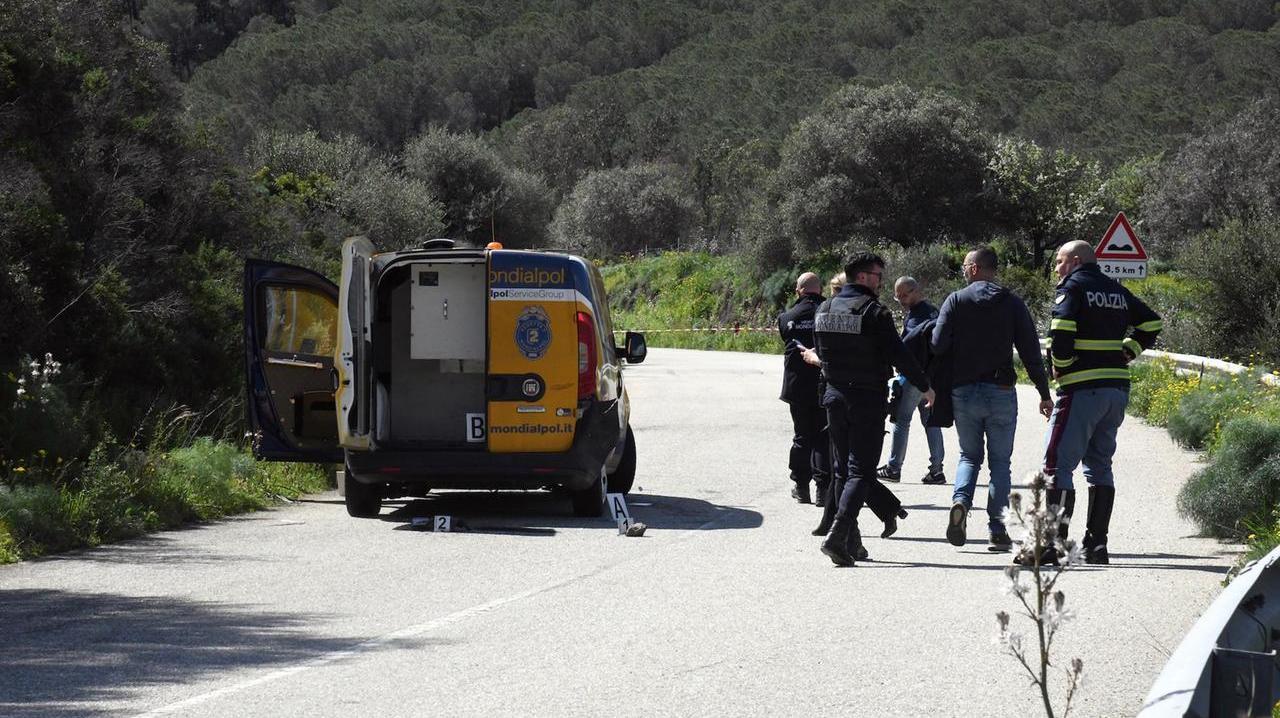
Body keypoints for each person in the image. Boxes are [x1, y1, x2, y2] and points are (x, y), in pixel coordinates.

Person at [1025, 240, 1162, 566]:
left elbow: (1061, 329)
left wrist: (1063, 363)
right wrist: (1128, 350)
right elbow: (1152, 323)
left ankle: (1053, 547)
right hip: (1115, 389)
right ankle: (1096, 546)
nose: (1056, 268)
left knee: (1057, 466)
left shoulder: (1072, 288)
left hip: (1081, 388)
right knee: (1099, 465)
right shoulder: (1115, 290)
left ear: (1074, 261)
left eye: (1058, 261)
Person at [802, 252, 934, 567]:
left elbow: (822, 354)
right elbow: (899, 354)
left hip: (834, 398)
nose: (881, 281)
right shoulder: (874, 312)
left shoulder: (825, 308)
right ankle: (838, 535)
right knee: (860, 470)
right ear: (863, 277)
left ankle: (852, 542)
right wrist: (925, 386)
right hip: (866, 399)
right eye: (877, 275)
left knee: (842, 471)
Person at [931, 247, 1053, 550]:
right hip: (1000, 391)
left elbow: (937, 344)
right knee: (1000, 462)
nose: (962, 270)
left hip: (964, 390)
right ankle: (997, 528)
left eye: (963, 266)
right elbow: (1029, 351)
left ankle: (960, 502)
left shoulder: (956, 301)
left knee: (969, 456)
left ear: (974, 268)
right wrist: (1043, 393)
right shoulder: (1012, 303)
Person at [811, 271, 910, 540]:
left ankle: (841, 528)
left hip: (856, 398)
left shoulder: (866, 312)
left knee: (853, 470)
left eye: (837, 290)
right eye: (832, 291)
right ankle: (850, 531)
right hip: (839, 396)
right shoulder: (830, 310)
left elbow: (865, 355)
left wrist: (816, 359)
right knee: (848, 469)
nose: (835, 297)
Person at [878, 276, 946, 485]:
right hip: (930, 376)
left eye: (904, 295)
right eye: (897, 297)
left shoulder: (919, 314)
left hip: (915, 377)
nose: (901, 300)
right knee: (930, 422)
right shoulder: (933, 310)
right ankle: (937, 470)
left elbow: (908, 345)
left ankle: (893, 468)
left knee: (901, 420)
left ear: (916, 290)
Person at [777, 272, 828, 505]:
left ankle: (801, 485)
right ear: (820, 289)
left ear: (799, 290)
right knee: (822, 436)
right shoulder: (829, 311)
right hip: (824, 382)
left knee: (802, 436)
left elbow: (785, 336)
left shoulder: (788, 316)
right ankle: (823, 490)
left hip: (797, 385)